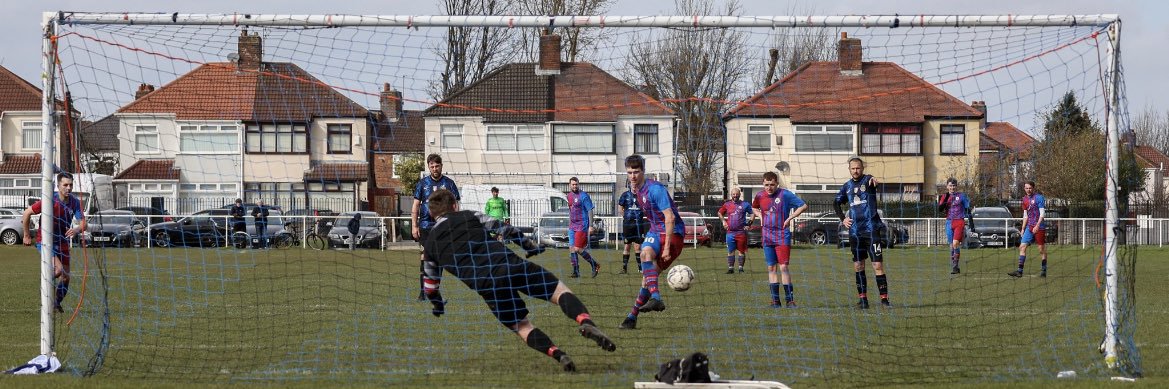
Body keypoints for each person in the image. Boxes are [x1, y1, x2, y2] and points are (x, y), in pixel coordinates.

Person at [421, 189, 616, 371]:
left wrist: (438, 305)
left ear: (432, 214)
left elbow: (429, 286)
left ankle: (558, 354)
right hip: (512, 265)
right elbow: (503, 228)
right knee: (559, 292)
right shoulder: (469, 215)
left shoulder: (430, 244)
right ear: (455, 205)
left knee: (522, 326)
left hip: (488, 286)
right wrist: (528, 245)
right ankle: (585, 321)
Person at [620, 154, 684, 330]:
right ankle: (654, 299)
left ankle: (632, 316)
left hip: (674, 234)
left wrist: (666, 248)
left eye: (636, 172)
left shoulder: (655, 189)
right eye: (629, 172)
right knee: (644, 254)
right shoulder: (638, 192)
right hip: (656, 231)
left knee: (646, 280)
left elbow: (669, 218)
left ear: (643, 171)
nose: (633, 176)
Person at [22, 172, 87, 313]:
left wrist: (76, 229)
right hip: (45, 241)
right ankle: (45, 288)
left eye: (70, 185)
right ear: (58, 186)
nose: (68, 188)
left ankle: (56, 303)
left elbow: (84, 224)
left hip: (62, 241)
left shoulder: (74, 202)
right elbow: (27, 213)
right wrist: (26, 235)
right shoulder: (49, 200)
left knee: (65, 277)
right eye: (65, 185)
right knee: (58, 270)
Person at [833, 157, 891, 309]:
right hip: (855, 232)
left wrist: (874, 181)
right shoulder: (846, 187)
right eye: (853, 168)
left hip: (872, 230)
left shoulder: (867, 181)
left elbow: (873, 181)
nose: (855, 171)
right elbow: (836, 202)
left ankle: (884, 300)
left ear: (862, 168)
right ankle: (863, 300)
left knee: (877, 265)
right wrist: (843, 219)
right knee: (859, 265)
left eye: (858, 168)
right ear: (849, 169)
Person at [753, 173, 808, 308]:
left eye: (772, 184)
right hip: (767, 236)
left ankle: (790, 300)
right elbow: (754, 207)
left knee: (783, 267)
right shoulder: (760, 195)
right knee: (771, 267)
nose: (769, 187)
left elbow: (803, 206)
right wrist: (759, 215)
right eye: (766, 185)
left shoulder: (785, 194)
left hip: (782, 235)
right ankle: (775, 301)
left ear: (777, 183)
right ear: (763, 184)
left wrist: (790, 218)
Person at [412, 153, 460, 300]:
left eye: (437, 166)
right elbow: (415, 205)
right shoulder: (422, 184)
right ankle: (422, 292)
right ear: (429, 167)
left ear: (441, 166)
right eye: (432, 166)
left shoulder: (449, 183)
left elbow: (455, 205)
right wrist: (414, 226)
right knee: (425, 257)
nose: (434, 168)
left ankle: (434, 291)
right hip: (425, 226)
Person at [1011, 181, 1049, 278]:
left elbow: (1042, 214)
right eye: (1026, 188)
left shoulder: (1039, 198)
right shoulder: (1024, 199)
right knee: (1022, 247)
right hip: (1029, 227)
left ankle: (1044, 270)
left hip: (1039, 227)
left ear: (1033, 188)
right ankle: (1020, 271)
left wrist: (1037, 225)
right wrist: (1023, 228)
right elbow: (1025, 215)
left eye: (1030, 188)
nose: (1028, 190)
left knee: (1041, 249)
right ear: (1024, 189)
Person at [938, 178, 974, 275]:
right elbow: (940, 209)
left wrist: (972, 225)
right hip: (949, 222)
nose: (952, 187)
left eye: (954, 185)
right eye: (950, 185)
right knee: (951, 246)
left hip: (959, 221)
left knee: (955, 243)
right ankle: (956, 266)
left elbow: (968, 210)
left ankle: (954, 266)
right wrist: (946, 198)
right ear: (947, 186)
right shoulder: (944, 196)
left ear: (956, 186)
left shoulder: (961, 196)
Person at [566, 177, 600, 278]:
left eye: (576, 184)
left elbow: (590, 210)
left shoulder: (584, 196)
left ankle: (594, 264)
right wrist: (569, 223)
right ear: (570, 185)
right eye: (573, 184)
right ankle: (576, 271)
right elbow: (571, 210)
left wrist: (590, 226)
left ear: (578, 184)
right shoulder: (569, 196)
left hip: (582, 225)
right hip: (572, 226)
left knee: (577, 248)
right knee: (572, 248)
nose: (575, 186)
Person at [718, 187, 754, 274]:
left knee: (741, 251)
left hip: (741, 232)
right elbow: (719, 213)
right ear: (731, 195)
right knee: (730, 251)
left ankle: (741, 269)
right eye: (733, 194)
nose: (735, 196)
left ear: (739, 195)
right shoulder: (727, 204)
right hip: (730, 232)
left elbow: (752, 213)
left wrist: (749, 224)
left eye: (737, 194)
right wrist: (723, 222)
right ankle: (731, 269)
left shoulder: (745, 204)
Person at [617, 185, 649, 274]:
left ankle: (640, 268)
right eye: (633, 185)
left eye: (636, 186)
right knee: (627, 245)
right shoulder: (625, 195)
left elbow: (646, 207)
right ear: (630, 186)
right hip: (628, 224)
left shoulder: (642, 196)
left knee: (638, 247)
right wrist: (625, 217)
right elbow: (620, 207)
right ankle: (624, 268)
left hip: (639, 223)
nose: (634, 187)